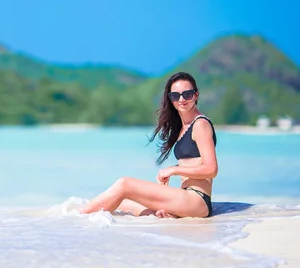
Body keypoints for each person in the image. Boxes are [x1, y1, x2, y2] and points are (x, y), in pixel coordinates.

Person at [79, 71, 218, 218]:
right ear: (170, 99)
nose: (181, 99)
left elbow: (211, 169)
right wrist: (175, 170)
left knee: (125, 184)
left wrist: (173, 170)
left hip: (197, 200)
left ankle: (77, 216)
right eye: (175, 96)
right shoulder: (184, 126)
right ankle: (163, 215)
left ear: (196, 95)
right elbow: (195, 161)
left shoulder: (200, 124)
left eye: (187, 94)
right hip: (185, 197)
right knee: (123, 203)